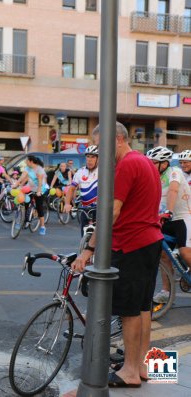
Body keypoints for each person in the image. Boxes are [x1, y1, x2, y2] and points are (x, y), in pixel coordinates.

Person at [71, 122, 162, 388]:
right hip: (149, 241)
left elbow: (111, 212)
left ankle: (130, 372)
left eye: (101, 145)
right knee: (143, 306)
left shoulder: (125, 165)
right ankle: (142, 364)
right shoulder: (144, 162)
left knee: (129, 311)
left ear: (118, 139)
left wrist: (90, 248)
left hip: (131, 244)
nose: (99, 152)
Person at [145, 146, 191, 303]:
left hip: (182, 218)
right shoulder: (154, 176)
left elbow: (173, 190)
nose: (150, 165)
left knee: (185, 253)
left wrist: (169, 211)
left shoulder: (174, 172)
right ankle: (166, 291)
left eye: (154, 162)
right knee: (164, 255)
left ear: (164, 163)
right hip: (165, 220)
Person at [64, 146, 99, 236]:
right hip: (85, 209)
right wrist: (67, 204)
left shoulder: (103, 171)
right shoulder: (80, 172)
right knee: (84, 236)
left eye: (93, 157)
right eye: (88, 157)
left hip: (100, 210)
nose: (90, 160)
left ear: (98, 158)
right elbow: (72, 188)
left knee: (100, 239)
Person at [14, 155, 48, 235]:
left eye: (26, 160)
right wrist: (17, 184)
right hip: (31, 187)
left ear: (31, 161)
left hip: (40, 188)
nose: (25, 162)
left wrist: (39, 191)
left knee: (39, 207)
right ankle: (24, 220)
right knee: (25, 202)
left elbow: (40, 182)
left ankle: (43, 226)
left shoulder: (40, 169)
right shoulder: (28, 168)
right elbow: (23, 176)